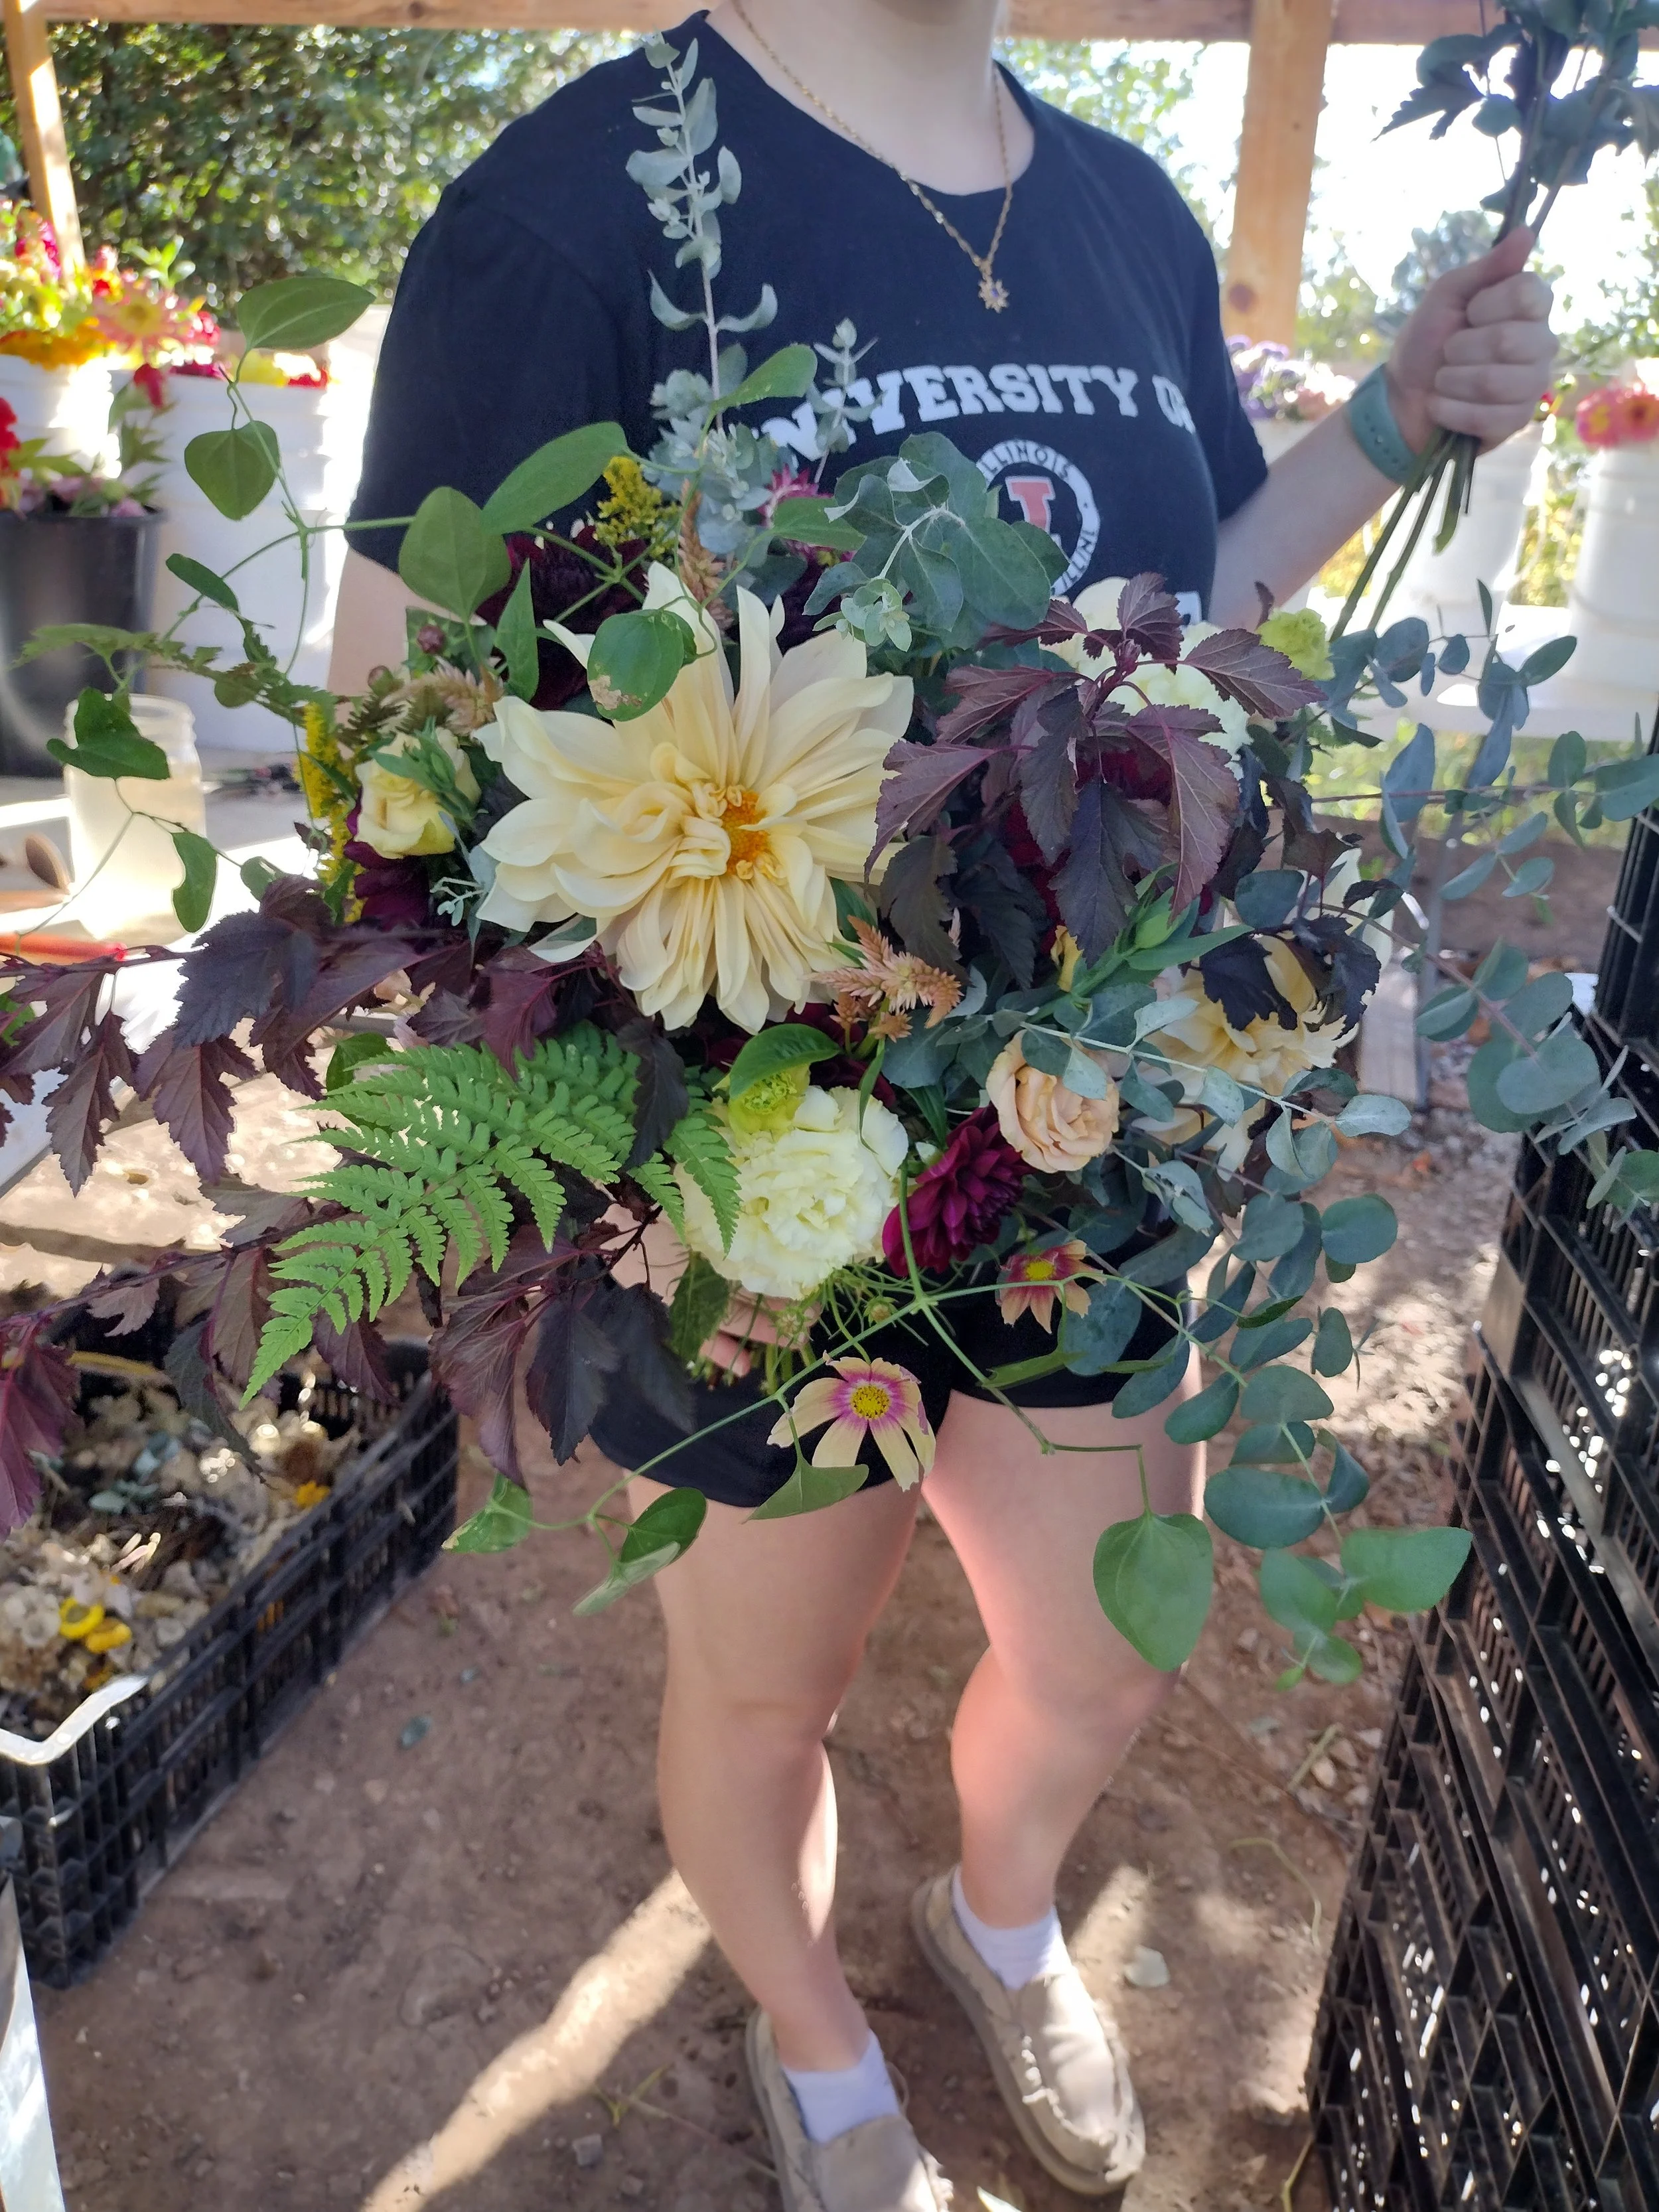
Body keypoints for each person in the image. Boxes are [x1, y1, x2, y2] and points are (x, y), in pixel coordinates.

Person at [337, 8, 1557, 2207]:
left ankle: (996, 1915)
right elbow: (398, 771)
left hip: (1093, 1132)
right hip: (755, 1193)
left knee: (1092, 1661)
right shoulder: (563, 217)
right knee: (761, 1700)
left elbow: (1184, 625)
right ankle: (814, 2034)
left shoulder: (1118, 208)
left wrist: (1381, 422)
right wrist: (629, 1137)